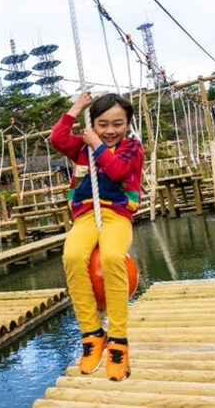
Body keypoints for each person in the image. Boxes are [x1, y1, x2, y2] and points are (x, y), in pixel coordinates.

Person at [50, 92, 144, 381]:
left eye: (118, 123)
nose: (111, 130)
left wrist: (97, 143)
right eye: (103, 124)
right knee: (73, 256)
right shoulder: (82, 147)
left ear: (128, 123)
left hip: (116, 214)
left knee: (114, 256)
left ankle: (118, 339)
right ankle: (92, 333)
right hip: (85, 214)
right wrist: (77, 107)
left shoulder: (132, 148)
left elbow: (117, 172)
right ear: (94, 123)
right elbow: (57, 138)